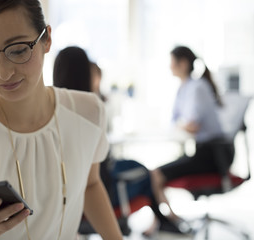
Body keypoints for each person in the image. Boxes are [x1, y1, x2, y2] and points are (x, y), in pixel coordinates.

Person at [0, 1, 123, 240]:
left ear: (46, 39)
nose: (3, 73)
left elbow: (90, 185)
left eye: (18, 50)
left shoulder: (88, 112)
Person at [53, 46, 175, 237]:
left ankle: (164, 220)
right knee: (147, 173)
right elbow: (94, 178)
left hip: (63, 202)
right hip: (101, 192)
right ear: (86, 72)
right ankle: (164, 221)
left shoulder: (48, 109)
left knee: (140, 168)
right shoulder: (90, 108)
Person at [150, 46, 230, 230]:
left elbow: (191, 125)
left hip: (214, 154)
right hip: (202, 151)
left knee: (155, 174)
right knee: (154, 173)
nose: (169, 67)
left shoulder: (197, 87)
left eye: (172, 62)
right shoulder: (184, 88)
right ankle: (168, 221)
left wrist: (181, 124)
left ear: (183, 63)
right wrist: (180, 124)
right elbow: (176, 122)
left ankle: (168, 223)